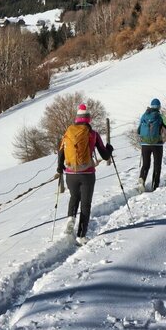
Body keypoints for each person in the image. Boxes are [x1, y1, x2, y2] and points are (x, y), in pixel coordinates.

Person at [57, 104, 113, 244]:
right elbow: (105, 156)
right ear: (88, 119)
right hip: (87, 173)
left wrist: (60, 167)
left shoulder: (68, 132)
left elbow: (61, 151)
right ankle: (81, 236)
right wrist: (109, 149)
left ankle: (70, 218)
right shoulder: (92, 134)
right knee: (86, 205)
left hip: (70, 173)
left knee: (74, 197)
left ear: (77, 118)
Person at [137, 98, 166, 192]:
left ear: (151, 106)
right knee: (157, 165)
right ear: (159, 107)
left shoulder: (144, 115)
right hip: (157, 144)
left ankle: (142, 178)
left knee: (146, 164)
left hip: (145, 144)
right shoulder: (160, 116)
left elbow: (138, 131)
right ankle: (155, 186)